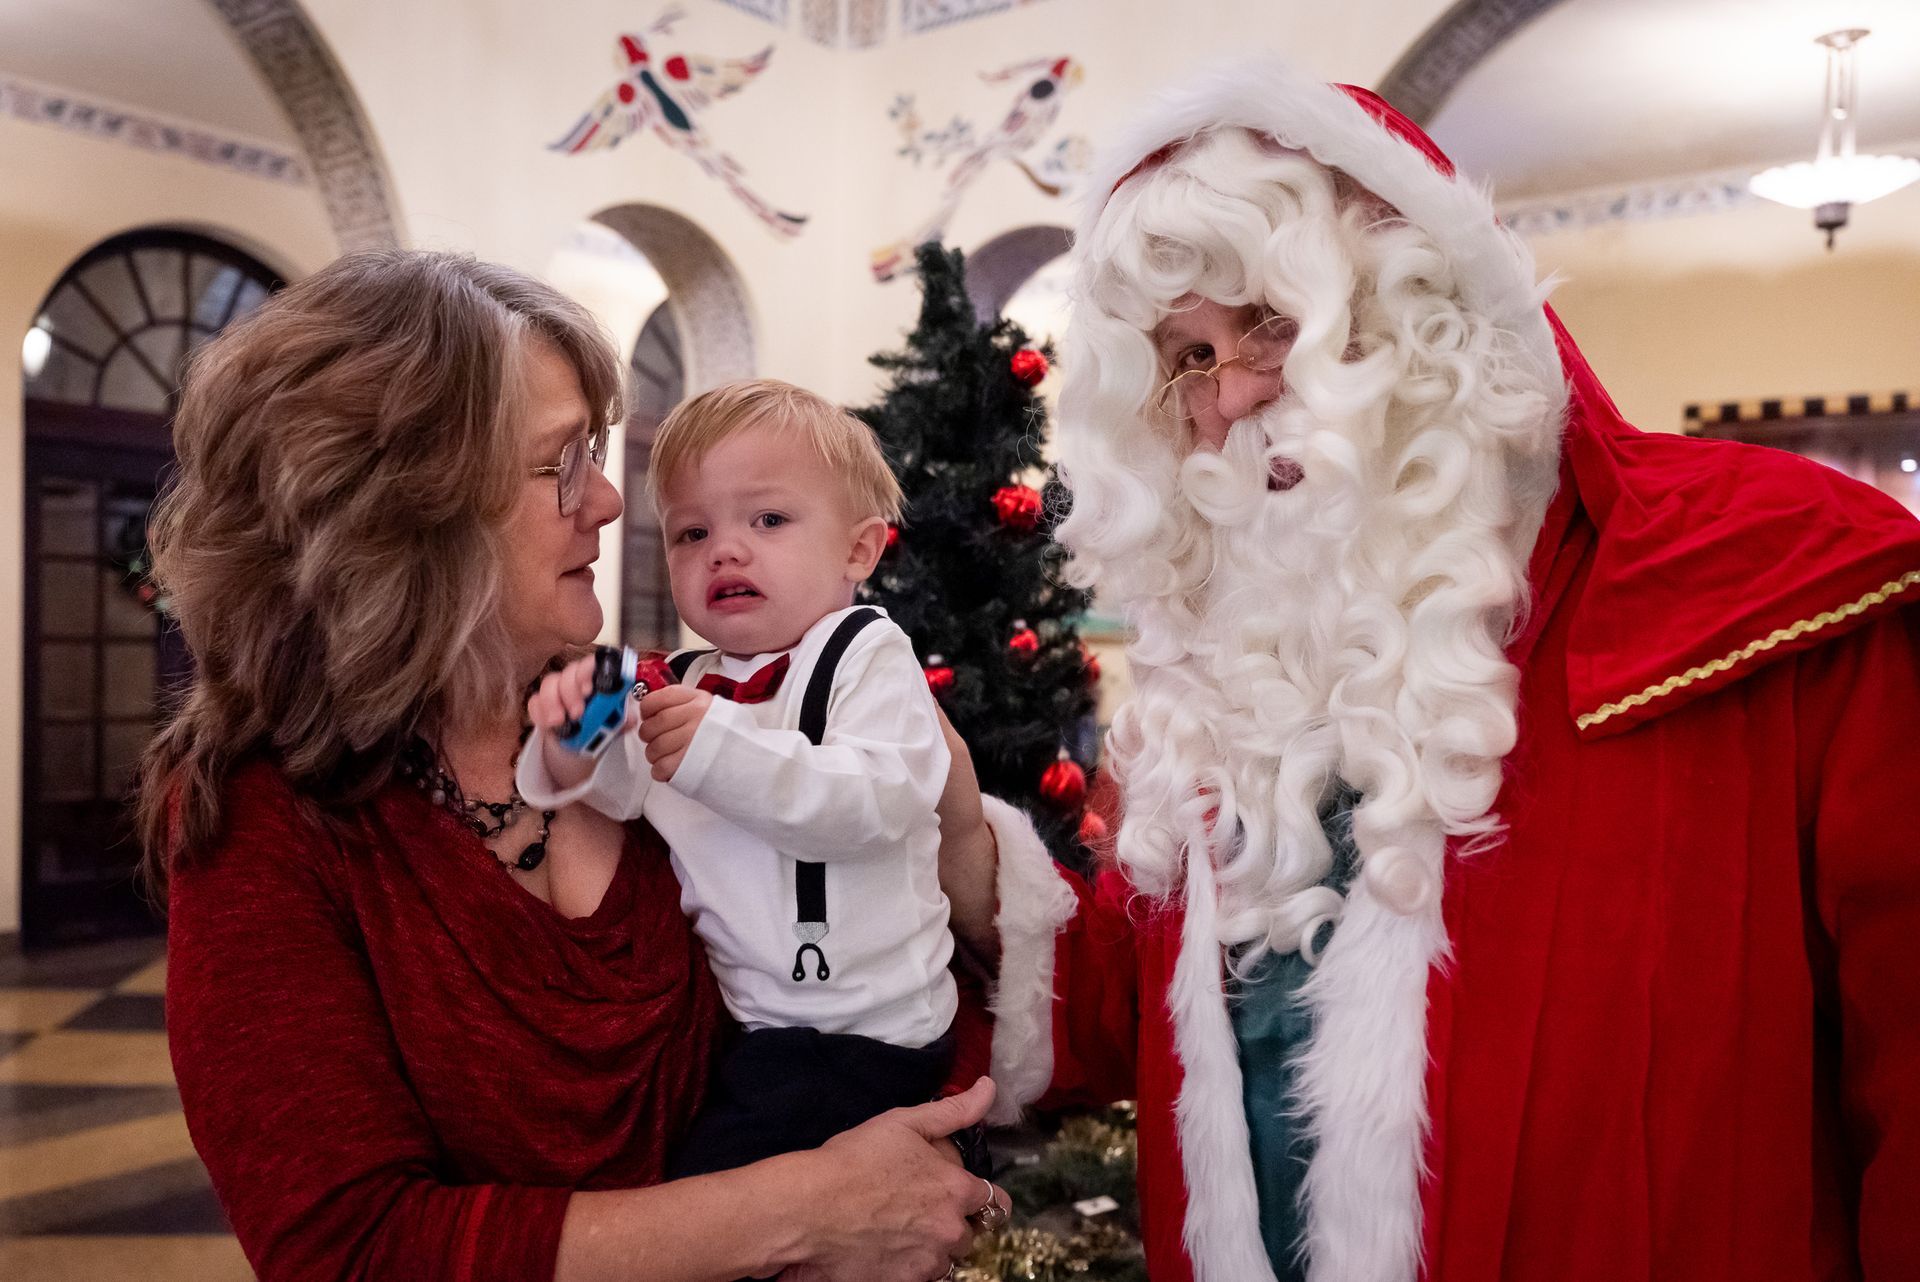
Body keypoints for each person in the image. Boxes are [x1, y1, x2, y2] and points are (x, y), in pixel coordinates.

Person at [972, 56, 1920, 1282]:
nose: (1240, 392)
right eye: (1187, 359)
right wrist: (953, 845)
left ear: (1423, 313)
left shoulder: (1778, 589)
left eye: (1272, 319)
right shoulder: (1232, 676)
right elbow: (1145, 1017)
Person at [140, 250, 1011, 1282]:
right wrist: (802, 1211)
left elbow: (894, 956)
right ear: (409, 507)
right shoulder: (267, 821)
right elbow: (351, 1249)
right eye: (561, 462)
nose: (605, 502)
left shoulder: (639, 698)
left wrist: (958, 834)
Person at [517, 379, 979, 1182]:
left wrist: (715, 749)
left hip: (867, 1029)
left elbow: (874, 801)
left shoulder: (864, 653)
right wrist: (572, 740)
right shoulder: (681, 682)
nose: (725, 550)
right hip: (757, 1026)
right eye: (692, 532)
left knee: (722, 1188)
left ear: (858, 550)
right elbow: (623, 795)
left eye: (768, 520)